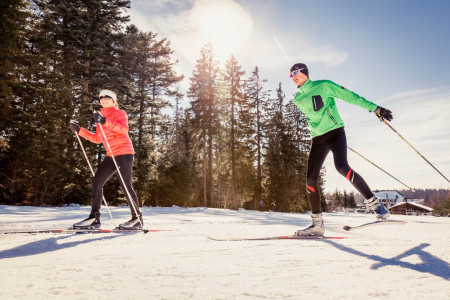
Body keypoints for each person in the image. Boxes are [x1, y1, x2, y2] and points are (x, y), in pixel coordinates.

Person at [290, 63, 391, 236]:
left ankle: (375, 204)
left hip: (336, 133)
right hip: (318, 139)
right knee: (310, 179)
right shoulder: (297, 99)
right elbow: (314, 118)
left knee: (342, 167)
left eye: (296, 72)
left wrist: (375, 108)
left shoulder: (324, 85)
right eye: (290, 74)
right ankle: (317, 224)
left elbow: (350, 96)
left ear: (305, 73)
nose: (293, 76)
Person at [69, 89, 143, 230]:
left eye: (107, 98)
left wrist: (104, 121)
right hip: (111, 155)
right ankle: (94, 219)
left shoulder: (120, 113)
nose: (103, 100)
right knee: (97, 182)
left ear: (114, 101)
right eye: (101, 98)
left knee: (125, 185)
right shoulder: (100, 117)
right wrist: (80, 130)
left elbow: (123, 130)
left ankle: (137, 219)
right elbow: (97, 138)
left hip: (125, 153)